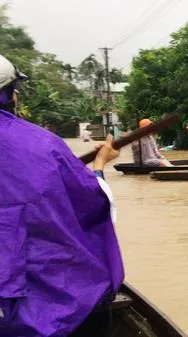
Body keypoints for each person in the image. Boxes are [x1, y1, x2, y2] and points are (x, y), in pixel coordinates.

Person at [0, 54, 124, 336]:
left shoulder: (43, 146)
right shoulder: (43, 145)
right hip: (45, 306)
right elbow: (93, 203)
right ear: (9, 95)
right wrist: (100, 166)